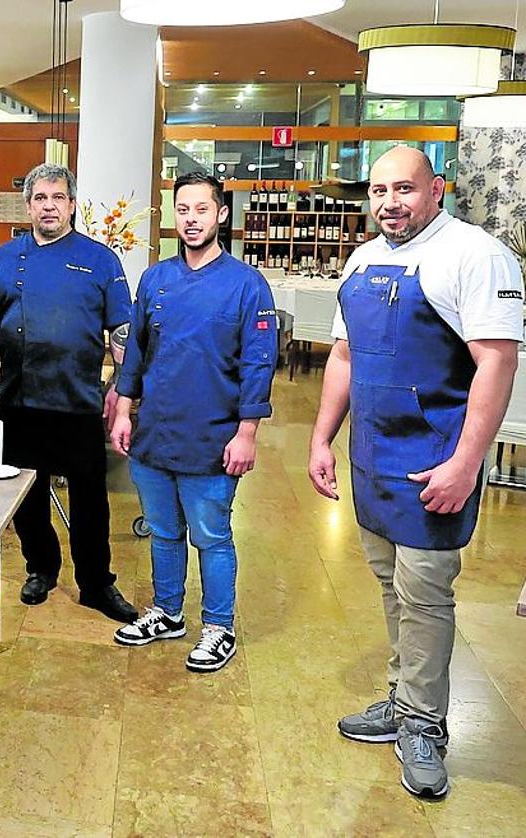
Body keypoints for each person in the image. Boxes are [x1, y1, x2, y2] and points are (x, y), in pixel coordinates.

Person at [308, 146, 523, 798]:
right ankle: (402, 702)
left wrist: (465, 463)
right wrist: (321, 437)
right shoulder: (363, 258)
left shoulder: (474, 254)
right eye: (378, 190)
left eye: (404, 188)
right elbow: (344, 355)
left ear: (438, 189)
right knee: (391, 587)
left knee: (426, 594)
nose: (389, 203)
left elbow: (497, 362)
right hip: (372, 460)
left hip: (435, 464)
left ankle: (425, 725)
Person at [109, 171, 278, 672]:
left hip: (213, 435)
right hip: (156, 431)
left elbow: (258, 364)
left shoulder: (246, 286)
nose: (191, 219)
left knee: (211, 534)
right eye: (183, 210)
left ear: (221, 214)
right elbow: (136, 351)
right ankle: (166, 612)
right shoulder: (156, 279)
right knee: (162, 531)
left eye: (202, 209)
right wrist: (123, 408)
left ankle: (219, 625)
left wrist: (247, 432)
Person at [0, 162, 138, 623]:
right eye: (40, 198)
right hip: (20, 397)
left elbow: (122, 329)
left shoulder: (100, 259)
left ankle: (96, 583)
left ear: (72, 204)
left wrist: (120, 389)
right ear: (28, 205)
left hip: (78, 400)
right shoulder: (5, 257)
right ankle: (41, 567)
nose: (49, 206)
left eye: (57, 198)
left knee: (90, 500)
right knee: (26, 494)